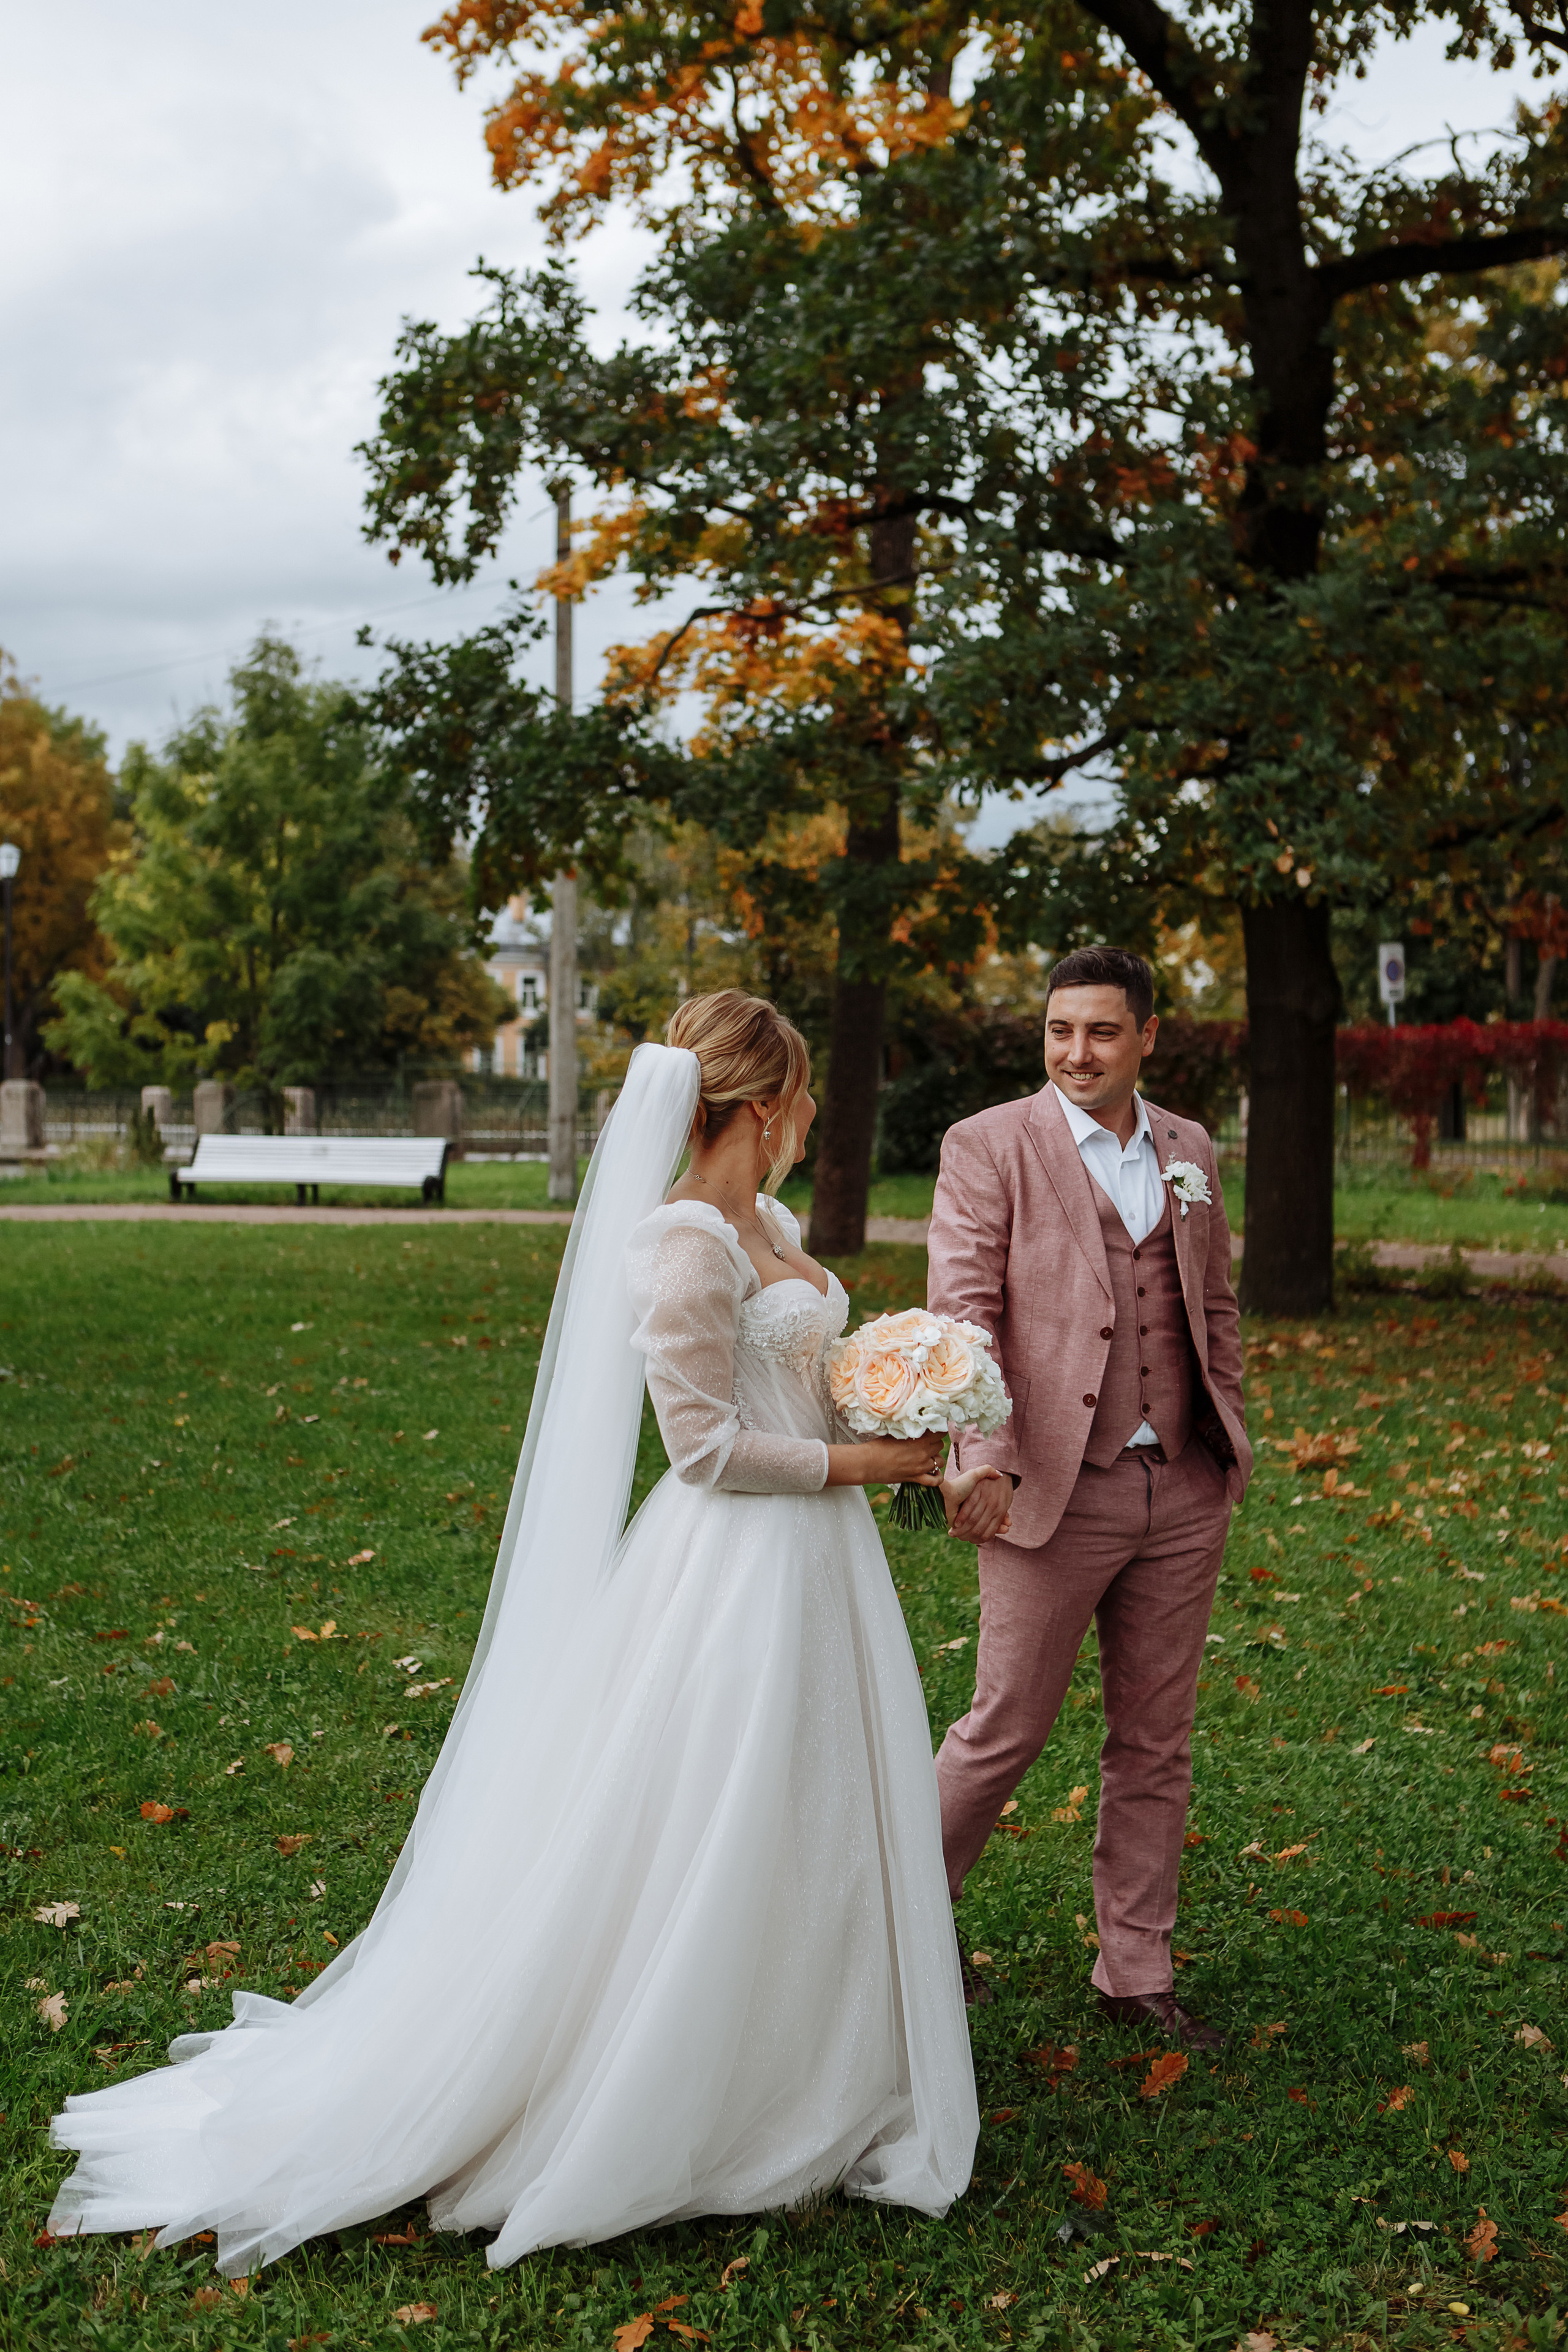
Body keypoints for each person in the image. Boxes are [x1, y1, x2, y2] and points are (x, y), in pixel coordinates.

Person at [47, 993, 981, 2276]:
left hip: (824, 1562)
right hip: (734, 1570)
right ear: (764, 1106)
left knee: (814, 1798)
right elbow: (703, 1449)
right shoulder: (683, 1244)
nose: (816, 1115)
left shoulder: (768, 1224)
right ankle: (686, 2078)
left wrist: (905, 1400)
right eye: (807, 1094)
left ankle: (818, 2057)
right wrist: (870, 1461)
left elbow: (798, 1381)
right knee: (719, 1801)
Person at [927, 946, 1251, 2046]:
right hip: (1052, 1484)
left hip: (1183, 1487)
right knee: (1005, 1727)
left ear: (1147, 1036)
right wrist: (982, 1456)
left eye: (1103, 1032)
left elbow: (1213, 1303)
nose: (1077, 1053)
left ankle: (1136, 1975)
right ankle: (904, 1925)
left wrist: (1225, 1437)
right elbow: (964, 1312)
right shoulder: (989, 1144)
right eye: (1061, 1031)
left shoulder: (1189, 1147)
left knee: (1156, 1741)